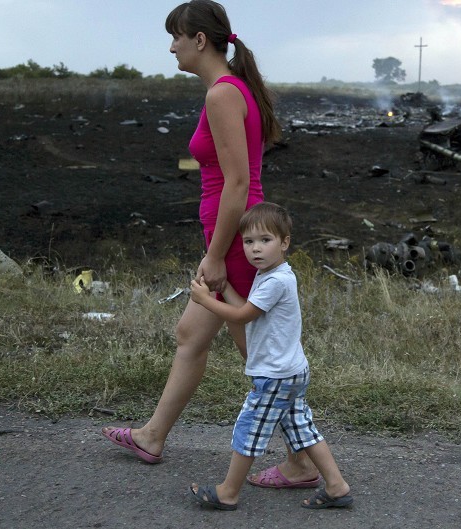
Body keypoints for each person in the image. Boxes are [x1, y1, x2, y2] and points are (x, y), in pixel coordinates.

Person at [101, 0, 319, 488]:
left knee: (263, 362)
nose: (171, 45)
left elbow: (238, 184)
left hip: (234, 243)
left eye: (176, 35)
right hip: (227, 238)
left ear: (200, 40)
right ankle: (152, 435)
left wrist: (218, 255)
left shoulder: (223, 94)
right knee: (190, 335)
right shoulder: (233, 89)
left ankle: (305, 462)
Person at [187, 202, 353, 510]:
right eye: (249, 242)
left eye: (265, 240)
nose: (255, 249)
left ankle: (228, 492)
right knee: (301, 429)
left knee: (249, 428)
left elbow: (243, 316)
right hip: (290, 371)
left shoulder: (275, 280)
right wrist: (223, 289)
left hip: (275, 375)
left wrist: (205, 299)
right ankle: (337, 486)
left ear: (285, 242)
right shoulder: (273, 274)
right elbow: (247, 309)